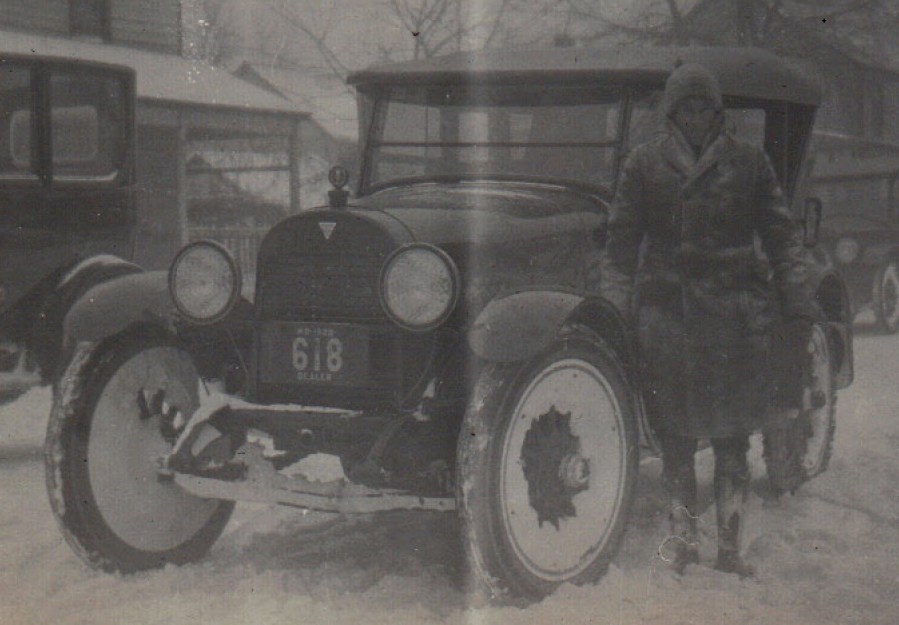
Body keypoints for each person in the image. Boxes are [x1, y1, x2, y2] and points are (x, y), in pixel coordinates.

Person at [599, 63, 818, 577]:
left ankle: (729, 548)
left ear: (718, 113)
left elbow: (782, 236)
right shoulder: (644, 165)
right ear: (671, 112)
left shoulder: (749, 162)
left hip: (735, 321)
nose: (695, 117)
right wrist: (615, 307)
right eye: (686, 108)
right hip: (666, 323)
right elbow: (619, 248)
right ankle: (681, 542)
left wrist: (797, 295)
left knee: (731, 438)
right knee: (675, 439)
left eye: (704, 107)